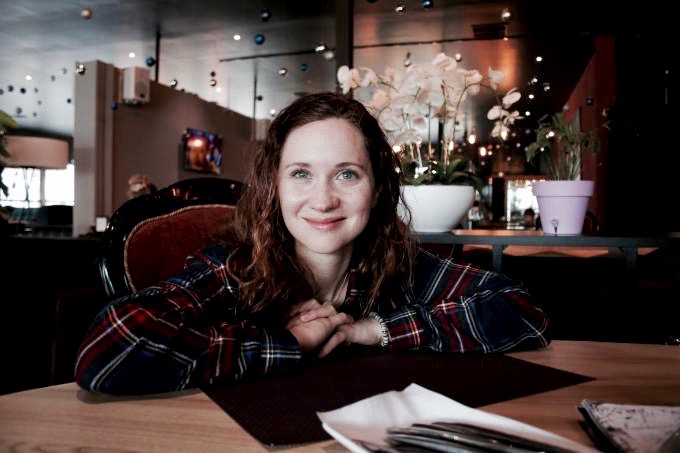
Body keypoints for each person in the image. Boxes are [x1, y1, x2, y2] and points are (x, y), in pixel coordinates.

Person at [75, 92, 549, 395]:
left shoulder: (401, 266)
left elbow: (523, 312)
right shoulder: (234, 269)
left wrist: (374, 330)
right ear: (275, 187)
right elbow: (113, 346)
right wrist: (286, 343)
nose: (323, 200)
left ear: (376, 190)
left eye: (347, 174)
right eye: (301, 174)